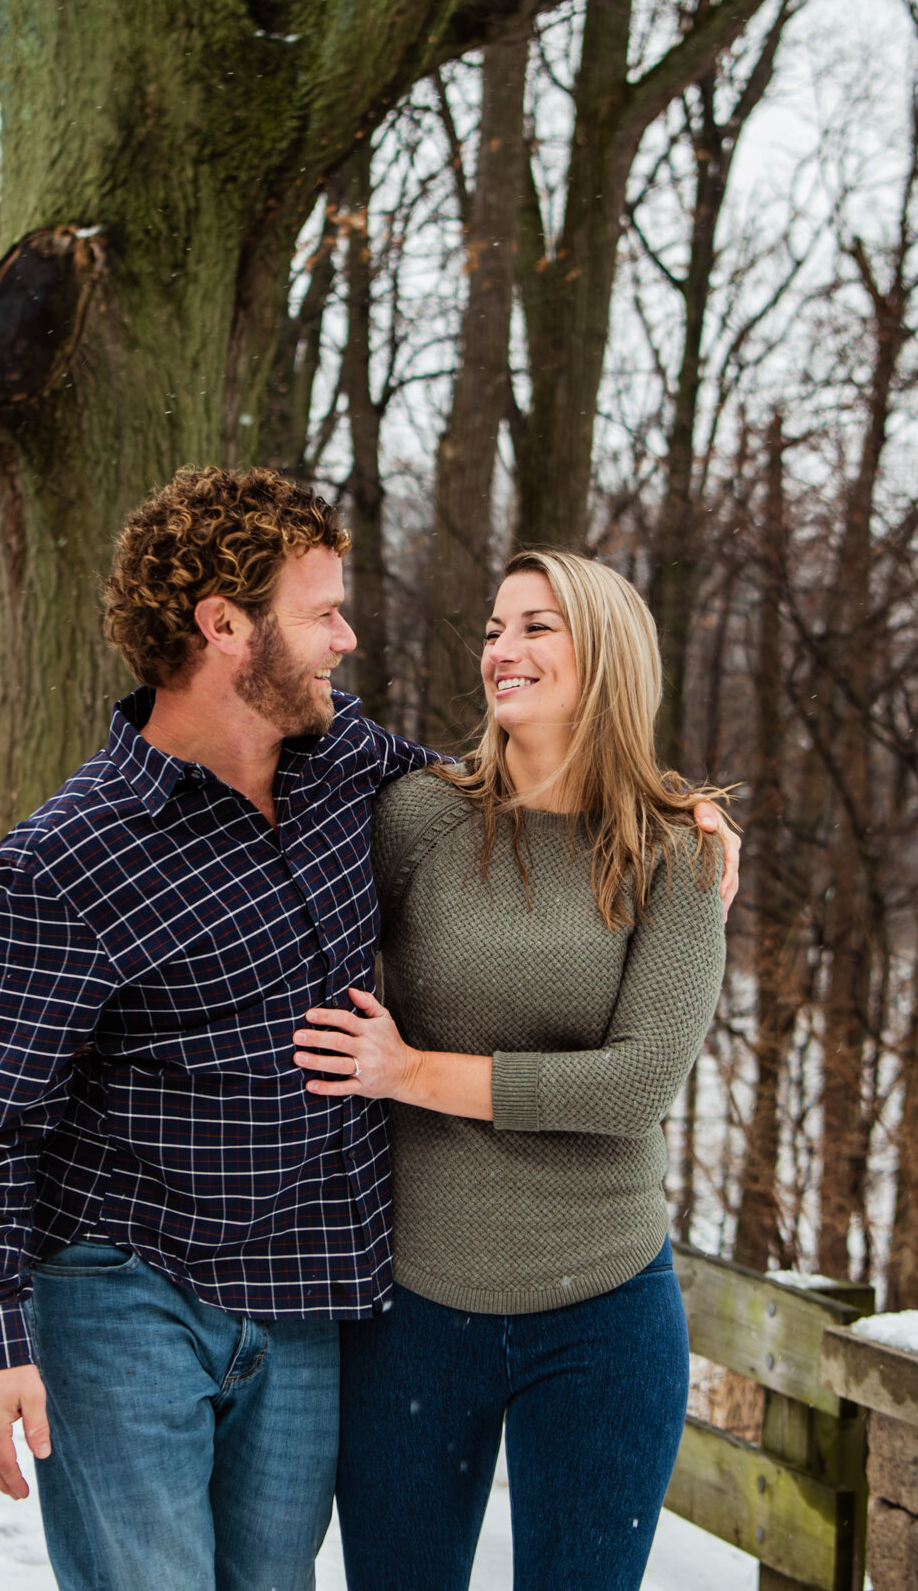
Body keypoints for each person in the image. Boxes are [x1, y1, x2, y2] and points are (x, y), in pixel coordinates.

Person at [0, 472, 736, 1591]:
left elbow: (529, 819)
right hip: (133, 1291)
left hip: (306, 1296)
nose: (349, 639)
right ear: (224, 626)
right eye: (322, 613)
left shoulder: (343, 768)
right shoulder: (68, 861)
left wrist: (677, 815)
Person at [290, 549, 729, 1591]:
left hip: (604, 1315)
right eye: (493, 628)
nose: (503, 649)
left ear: (607, 653)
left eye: (537, 626)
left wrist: (413, 1073)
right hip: (412, 1309)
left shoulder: (678, 850)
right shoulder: (419, 818)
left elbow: (638, 1085)